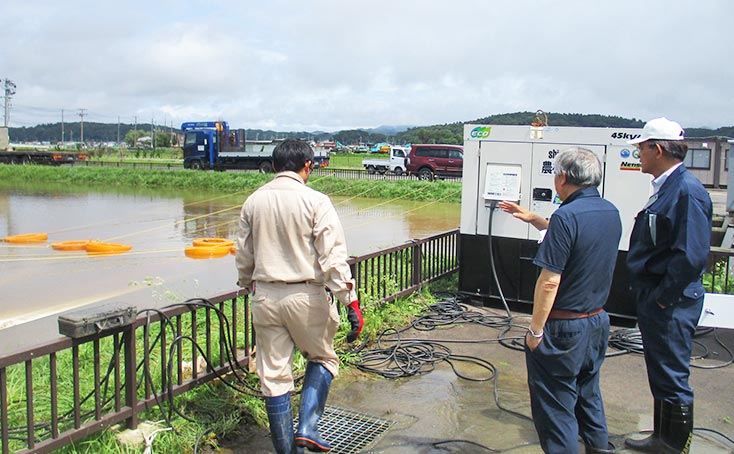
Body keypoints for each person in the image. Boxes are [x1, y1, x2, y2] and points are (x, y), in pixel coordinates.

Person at [235, 139, 364, 454]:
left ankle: (285, 451)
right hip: (305, 295)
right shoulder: (316, 201)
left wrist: (245, 283)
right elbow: (333, 258)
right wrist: (351, 303)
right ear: (308, 165)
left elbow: (243, 254)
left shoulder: (253, 201)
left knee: (274, 376)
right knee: (321, 357)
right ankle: (307, 427)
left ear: (276, 166)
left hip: (264, 295)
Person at [499, 147, 621, 454]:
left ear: (563, 177)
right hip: (597, 322)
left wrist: (535, 331)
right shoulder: (609, 211)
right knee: (588, 395)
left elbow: (550, 281)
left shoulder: (566, 216)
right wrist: (534, 219)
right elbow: (577, 240)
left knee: (556, 407)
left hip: (564, 329)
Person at [624, 118, 712, 454]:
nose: (639, 156)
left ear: (657, 149)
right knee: (661, 371)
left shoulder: (687, 191)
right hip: (659, 297)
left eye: (642, 149)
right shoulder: (668, 188)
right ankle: (661, 437)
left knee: (672, 375)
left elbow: (690, 256)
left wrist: (663, 298)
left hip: (671, 302)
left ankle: (674, 445)